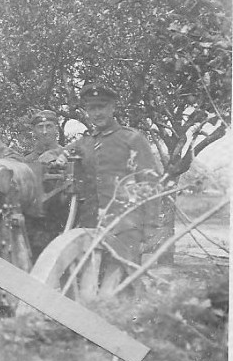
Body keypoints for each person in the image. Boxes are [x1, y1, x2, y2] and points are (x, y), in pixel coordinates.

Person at [46, 82, 161, 262]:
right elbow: (62, 152)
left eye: (102, 107)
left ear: (112, 107)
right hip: (91, 227)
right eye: (91, 108)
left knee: (124, 282)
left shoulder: (131, 138)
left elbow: (150, 184)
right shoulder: (85, 142)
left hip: (126, 229)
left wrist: (150, 231)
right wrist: (59, 158)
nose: (97, 113)